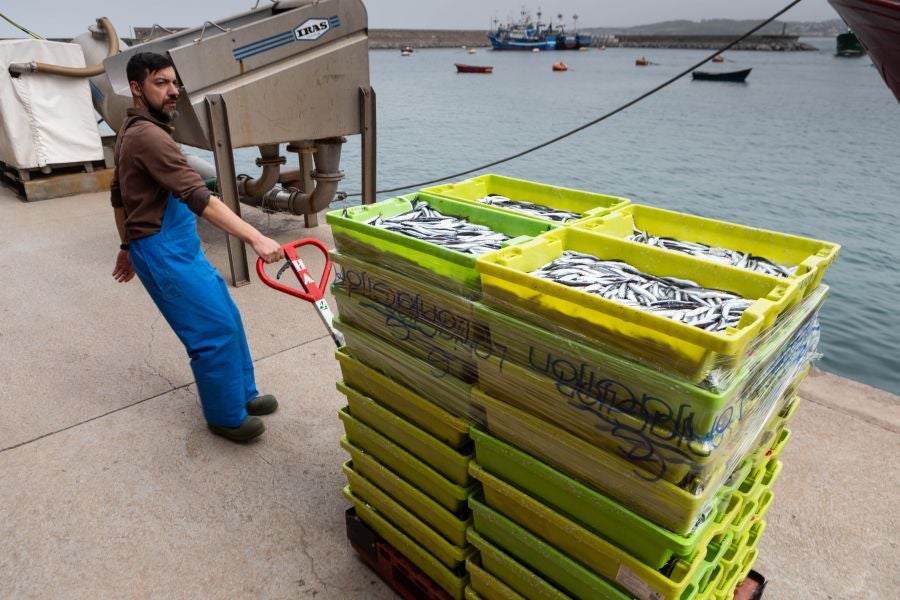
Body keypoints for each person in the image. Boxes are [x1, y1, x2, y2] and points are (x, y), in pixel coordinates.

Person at [110, 52, 285, 443]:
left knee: (227, 314)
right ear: (137, 88)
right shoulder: (149, 137)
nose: (173, 91)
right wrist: (256, 237)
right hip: (162, 251)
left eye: (175, 83)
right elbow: (199, 198)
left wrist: (125, 244)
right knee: (211, 332)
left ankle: (243, 394)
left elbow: (119, 194)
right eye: (161, 83)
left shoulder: (135, 128)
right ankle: (225, 417)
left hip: (176, 245)